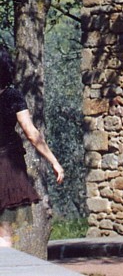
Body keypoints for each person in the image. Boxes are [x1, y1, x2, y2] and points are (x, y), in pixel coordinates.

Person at [0, 48, 63, 247]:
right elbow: (31, 133)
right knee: (4, 233)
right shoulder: (12, 96)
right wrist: (54, 161)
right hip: (6, 167)